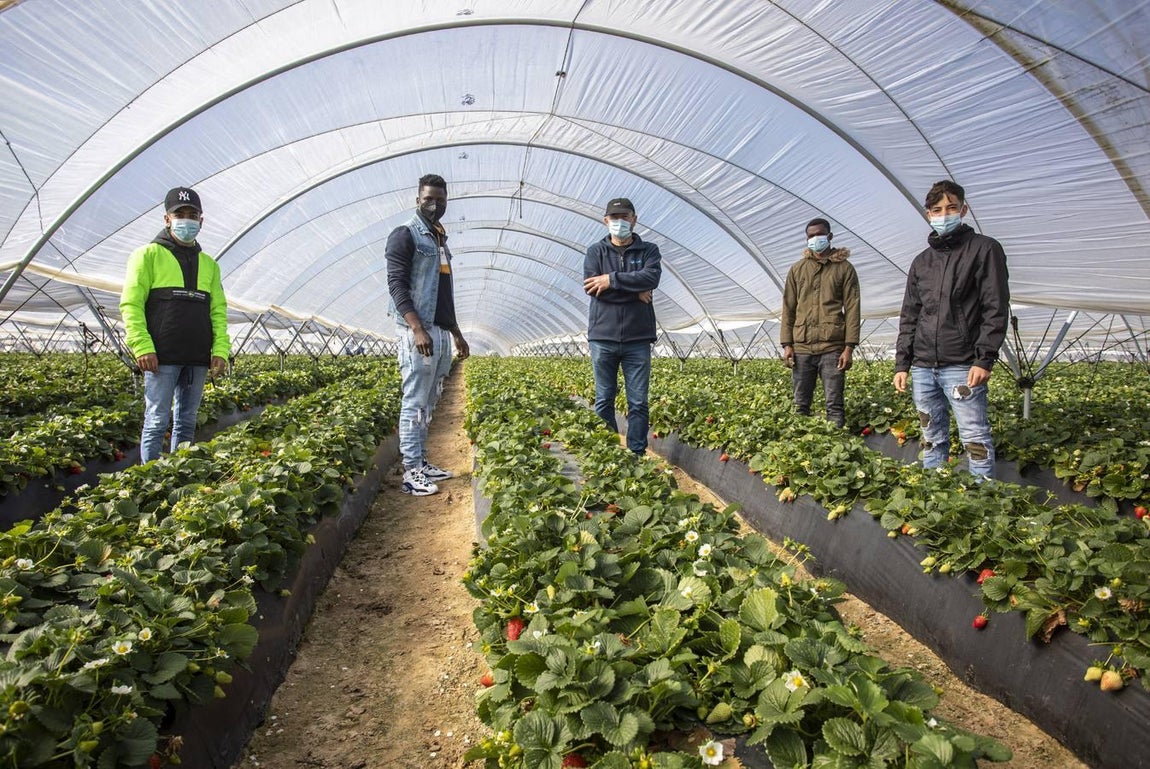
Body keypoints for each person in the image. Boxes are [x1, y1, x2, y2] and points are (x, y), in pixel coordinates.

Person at [893, 180, 1010, 479]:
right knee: (931, 437)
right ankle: (935, 492)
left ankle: (982, 502)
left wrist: (984, 358)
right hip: (922, 366)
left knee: (974, 438)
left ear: (964, 209)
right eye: (937, 209)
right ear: (928, 214)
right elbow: (910, 315)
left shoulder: (984, 250)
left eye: (951, 208)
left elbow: (994, 307)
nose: (944, 214)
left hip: (961, 364)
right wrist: (902, 364)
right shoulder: (922, 262)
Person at [120, 187, 230, 463]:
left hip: (197, 357)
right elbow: (131, 305)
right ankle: (150, 481)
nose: (186, 220)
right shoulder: (147, 256)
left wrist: (220, 350)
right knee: (157, 420)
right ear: (167, 219)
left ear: (201, 221)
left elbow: (217, 311)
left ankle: (177, 474)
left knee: (187, 421)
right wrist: (142, 346)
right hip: (161, 357)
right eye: (179, 214)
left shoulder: (209, 265)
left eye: (192, 215)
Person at [386, 173, 470, 496]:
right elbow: (397, 286)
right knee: (415, 400)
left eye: (440, 200)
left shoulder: (438, 239)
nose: (435, 205)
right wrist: (417, 328)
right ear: (417, 199)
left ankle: (420, 461)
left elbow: (444, 295)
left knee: (430, 400)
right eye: (429, 199)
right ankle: (410, 471)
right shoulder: (405, 235)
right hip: (417, 332)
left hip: (439, 332)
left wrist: (457, 334)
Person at [584, 197, 662, 456]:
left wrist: (611, 280)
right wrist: (634, 290)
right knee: (603, 399)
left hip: (637, 338)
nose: (620, 222)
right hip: (602, 337)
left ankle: (636, 453)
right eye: (614, 218)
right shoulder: (596, 251)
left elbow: (651, 278)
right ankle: (609, 453)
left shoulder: (649, 250)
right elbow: (592, 288)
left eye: (625, 217)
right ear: (606, 221)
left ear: (634, 219)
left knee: (638, 401)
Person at [779, 217, 861, 427]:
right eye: (811, 236)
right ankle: (800, 446)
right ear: (807, 239)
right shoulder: (797, 270)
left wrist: (849, 347)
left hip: (832, 346)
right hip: (802, 346)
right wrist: (787, 345)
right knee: (800, 405)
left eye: (819, 234)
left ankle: (834, 444)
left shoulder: (844, 268)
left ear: (829, 236)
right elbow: (788, 308)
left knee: (834, 405)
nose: (816, 239)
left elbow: (852, 308)